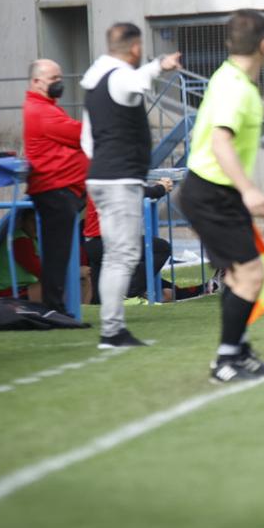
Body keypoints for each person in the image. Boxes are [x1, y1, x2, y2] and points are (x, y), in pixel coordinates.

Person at [179, 9, 264, 383]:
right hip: (212, 192)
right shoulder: (236, 88)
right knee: (252, 276)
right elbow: (221, 141)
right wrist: (249, 190)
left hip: (210, 190)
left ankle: (238, 352)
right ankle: (225, 361)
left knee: (242, 276)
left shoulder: (226, 76)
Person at [79, 23, 183, 349]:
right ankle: (112, 331)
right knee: (122, 256)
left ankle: (112, 328)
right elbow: (136, 81)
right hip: (118, 179)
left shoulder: (94, 80)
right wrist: (160, 65)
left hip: (102, 176)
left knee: (117, 255)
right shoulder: (120, 75)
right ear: (135, 47)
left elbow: (86, 139)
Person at [23, 58, 88, 315]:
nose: (59, 84)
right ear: (36, 82)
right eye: (53, 79)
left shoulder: (47, 107)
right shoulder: (42, 112)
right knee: (56, 254)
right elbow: (80, 135)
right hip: (55, 191)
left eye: (60, 78)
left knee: (58, 252)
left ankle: (56, 306)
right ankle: (54, 307)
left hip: (63, 191)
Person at [84, 179, 210, 303]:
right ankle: (129, 291)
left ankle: (121, 294)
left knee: (100, 297)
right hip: (109, 242)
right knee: (161, 248)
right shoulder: (112, 179)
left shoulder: (98, 179)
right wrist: (160, 188)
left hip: (94, 243)